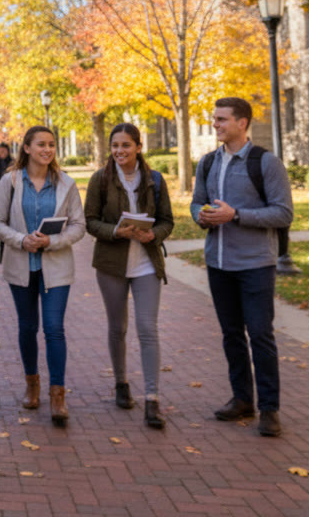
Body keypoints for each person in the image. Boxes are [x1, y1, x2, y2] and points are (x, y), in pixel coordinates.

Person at [192, 97, 294, 437]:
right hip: (218, 263)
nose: (216, 125)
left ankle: (270, 409)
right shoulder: (208, 163)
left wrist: (235, 215)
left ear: (242, 123)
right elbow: (196, 203)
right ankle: (242, 400)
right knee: (231, 335)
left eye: (222, 119)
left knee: (261, 336)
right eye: (214, 119)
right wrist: (202, 217)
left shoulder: (265, 163)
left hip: (255, 265)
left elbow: (283, 213)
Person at [0, 125, 85, 427]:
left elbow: (78, 226)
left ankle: (58, 394)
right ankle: (32, 385)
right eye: (41, 144)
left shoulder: (66, 184)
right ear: (27, 148)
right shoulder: (11, 181)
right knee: (28, 327)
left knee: (54, 328)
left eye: (52, 145)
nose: (47, 149)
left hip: (56, 268)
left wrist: (51, 241)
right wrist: (21, 240)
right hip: (21, 266)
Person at [83, 123, 175, 429]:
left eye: (125, 145)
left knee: (147, 328)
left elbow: (167, 221)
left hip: (146, 262)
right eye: (115, 146)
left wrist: (155, 236)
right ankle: (121, 383)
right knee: (117, 327)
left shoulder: (155, 180)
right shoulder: (101, 179)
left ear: (138, 146)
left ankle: (152, 399)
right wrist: (116, 231)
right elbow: (90, 222)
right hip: (112, 264)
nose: (120, 151)